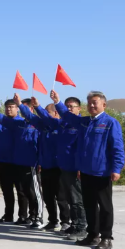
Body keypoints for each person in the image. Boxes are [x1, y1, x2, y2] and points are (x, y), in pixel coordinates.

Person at [51, 90, 125, 249]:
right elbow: (68, 116)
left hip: (102, 172)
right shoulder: (84, 122)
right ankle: (92, 235)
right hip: (85, 171)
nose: (91, 105)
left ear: (104, 105)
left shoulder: (110, 123)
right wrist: (57, 102)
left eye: (95, 102)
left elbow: (117, 148)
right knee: (89, 205)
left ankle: (106, 238)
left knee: (105, 207)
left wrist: (116, 168)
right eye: (89, 103)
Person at [34, 96, 86, 239]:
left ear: (79, 108)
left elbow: (83, 149)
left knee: (77, 200)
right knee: (71, 199)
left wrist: (57, 102)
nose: (68, 109)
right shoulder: (62, 124)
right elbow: (46, 118)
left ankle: (81, 227)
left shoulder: (81, 124)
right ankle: (74, 225)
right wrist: (36, 106)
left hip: (75, 168)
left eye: (71, 107)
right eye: (66, 106)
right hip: (64, 168)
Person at [16, 95, 68, 231]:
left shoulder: (61, 126)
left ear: (56, 113)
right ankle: (53, 221)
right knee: (48, 196)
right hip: (45, 165)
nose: (44, 116)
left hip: (59, 166)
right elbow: (31, 116)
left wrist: (38, 106)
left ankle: (65, 222)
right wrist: (20, 105)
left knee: (61, 196)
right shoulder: (43, 126)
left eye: (47, 113)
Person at [0, 99, 42, 227]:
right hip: (13, 161)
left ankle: (32, 216)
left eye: (12, 107)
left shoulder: (35, 124)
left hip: (27, 163)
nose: (9, 109)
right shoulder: (17, 123)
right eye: (7, 107)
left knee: (26, 191)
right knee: (10, 190)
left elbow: (40, 144)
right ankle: (11, 215)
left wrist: (40, 161)